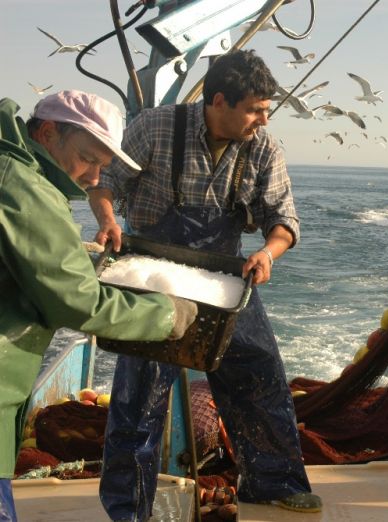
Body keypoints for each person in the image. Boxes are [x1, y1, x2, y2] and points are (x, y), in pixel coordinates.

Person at [88, 49, 321, 519]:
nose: (262, 120)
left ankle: (272, 481)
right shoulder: (155, 126)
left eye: (266, 110)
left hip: (222, 280)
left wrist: (267, 253)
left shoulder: (263, 148)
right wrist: (109, 220)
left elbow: (284, 220)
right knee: (140, 396)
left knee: (260, 375)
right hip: (153, 277)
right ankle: (128, 505)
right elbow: (103, 180)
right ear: (219, 101)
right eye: (254, 109)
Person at [0, 90, 198, 521]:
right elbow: (75, 302)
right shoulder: (24, 187)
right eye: (88, 159)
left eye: (102, 169)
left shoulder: (13, 168)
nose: (93, 179)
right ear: (49, 132)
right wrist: (168, 313)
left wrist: (78, 262)